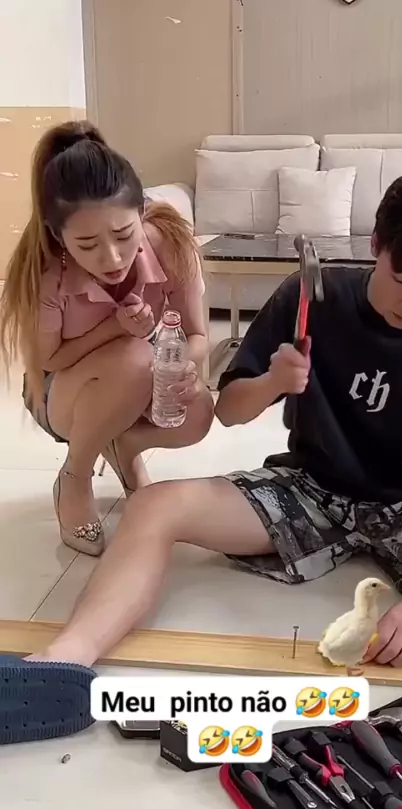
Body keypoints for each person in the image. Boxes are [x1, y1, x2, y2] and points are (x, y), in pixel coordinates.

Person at [3, 169, 402, 744]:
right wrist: (273, 381)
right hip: (312, 487)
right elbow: (228, 411)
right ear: (376, 245)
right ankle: (61, 669)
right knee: (154, 507)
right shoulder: (312, 295)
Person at [0, 121, 213, 557]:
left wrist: (184, 371)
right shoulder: (46, 273)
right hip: (60, 393)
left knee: (198, 412)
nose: (112, 257)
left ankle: (124, 447)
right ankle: (74, 477)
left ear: (141, 212)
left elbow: (197, 335)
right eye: (87, 244)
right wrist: (116, 327)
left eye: (123, 235)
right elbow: (49, 361)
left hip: (139, 375)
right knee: (133, 357)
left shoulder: (173, 244)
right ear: (59, 237)